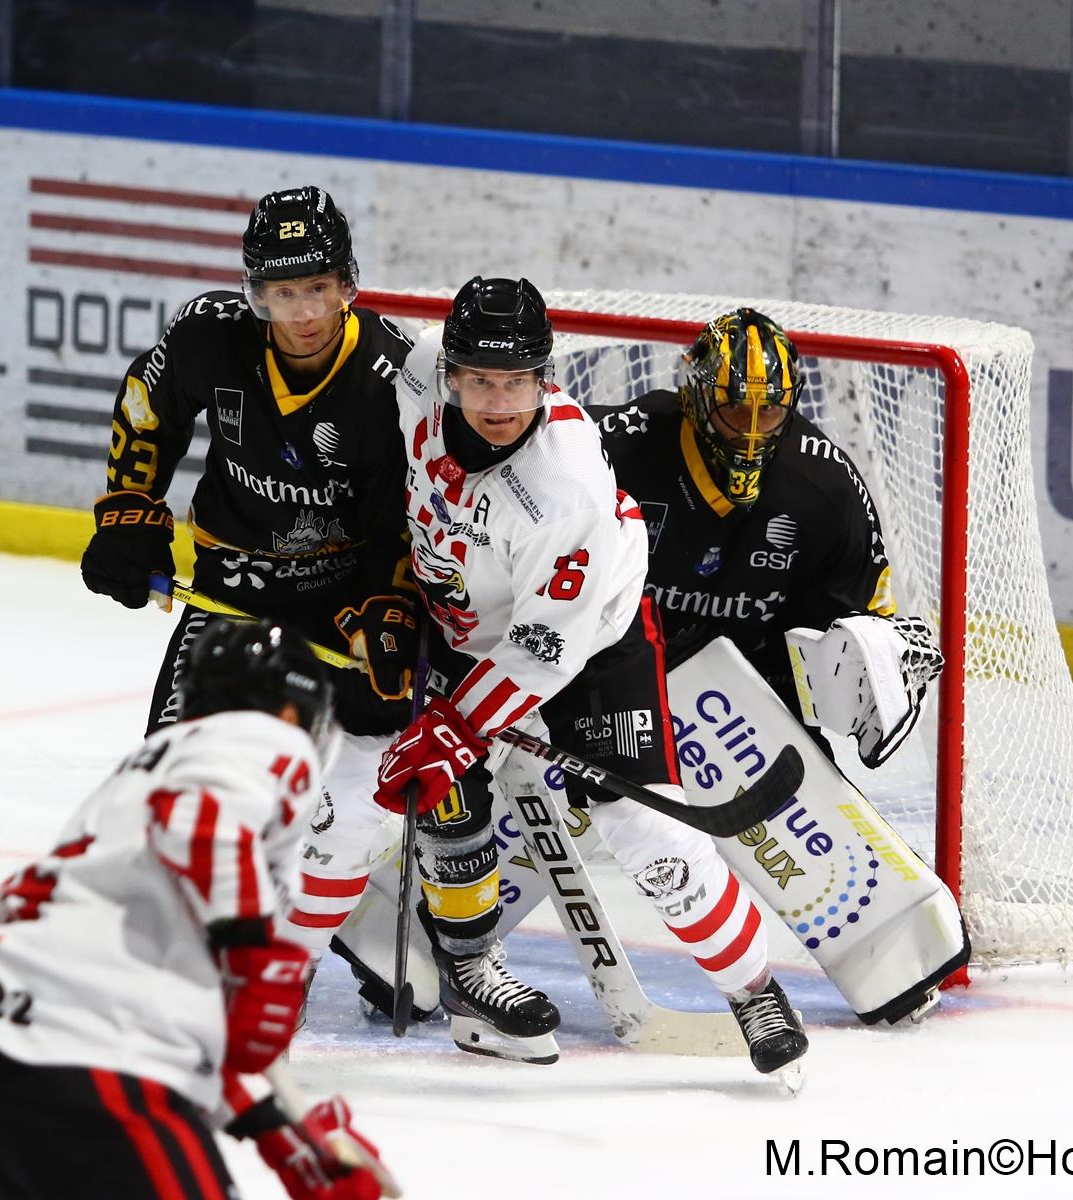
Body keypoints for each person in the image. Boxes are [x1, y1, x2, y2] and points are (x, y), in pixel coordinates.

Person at [343, 276, 808, 1075]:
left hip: (592, 642)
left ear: (545, 377)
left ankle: (754, 989)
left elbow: (539, 652)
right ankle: (470, 971)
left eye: (518, 381)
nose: (498, 401)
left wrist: (456, 728)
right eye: (481, 381)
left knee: (645, 829)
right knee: (447, 798)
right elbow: (345, 346)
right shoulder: (419, 369)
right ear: (449, 371)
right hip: (455, 620)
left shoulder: (569, 490)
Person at [0, 620, 399, 1200]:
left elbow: (188, 1020)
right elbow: (203, 820)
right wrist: (255, 956)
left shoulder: (149, 782)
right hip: (89, 1054)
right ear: (294, 713)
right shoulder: (259, 741)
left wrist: (285, 1142)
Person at [77, 184, 421, 804]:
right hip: (228, 588)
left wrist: (389, 606)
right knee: (172, 782)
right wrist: (130, 514)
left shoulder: (393, 379)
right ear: (256, 295)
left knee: (353, 787)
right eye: (283, 293)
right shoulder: (209, 336)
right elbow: (148, 407)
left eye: (317, 288)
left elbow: (398, 521)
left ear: (347, 284)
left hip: (338, 600)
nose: (304, 314)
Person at [592, 307, 944, 772]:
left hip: (758, 698)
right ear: (696, 399)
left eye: (771, 411)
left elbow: (861, 623)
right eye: (736, 410)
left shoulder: (826, 488)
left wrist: (876, 659)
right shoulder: (616, 447)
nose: (753, 432)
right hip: (620, 677)